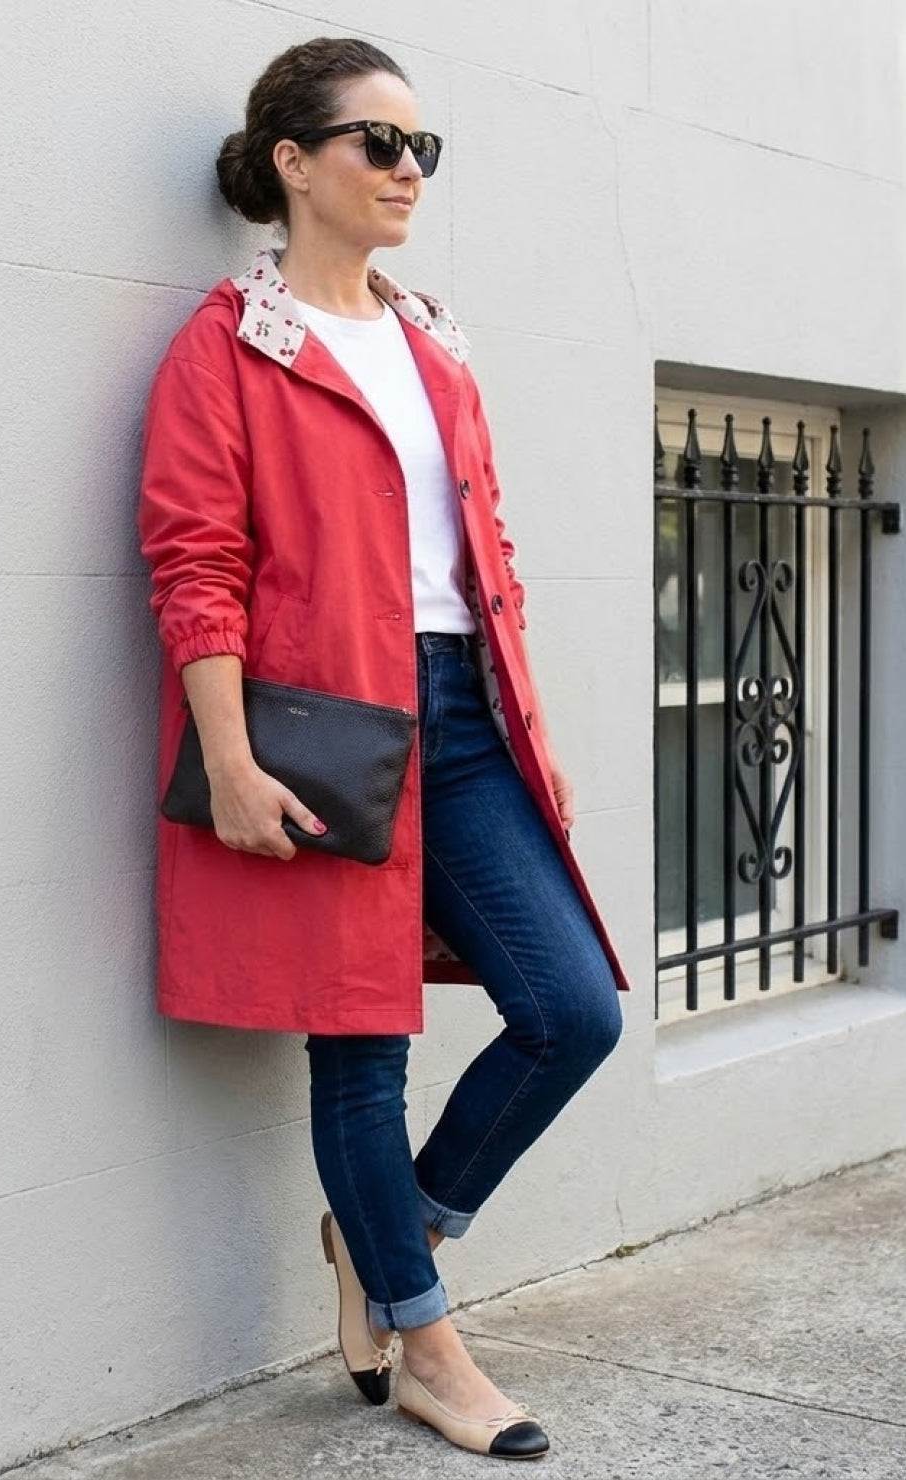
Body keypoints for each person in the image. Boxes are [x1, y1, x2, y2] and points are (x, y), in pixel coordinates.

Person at [137, 35, 629, 1462]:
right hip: (324, 732)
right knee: (361, 1056)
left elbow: (489, 550)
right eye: (378, 143)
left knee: (571, 1011)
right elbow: (193, 563)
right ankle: (426, 1348)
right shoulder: (229, 345)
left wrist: (526, 721)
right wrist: (226, 755)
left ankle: (387, 1232)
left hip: (463, 717)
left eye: (424, 148)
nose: (408, 170)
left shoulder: (435, 344)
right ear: (293, 162)